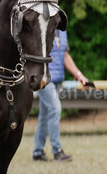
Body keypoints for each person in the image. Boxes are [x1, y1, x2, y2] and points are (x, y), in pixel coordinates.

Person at [32, 28, 91, 162]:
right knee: (55, 108)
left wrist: (79, 75)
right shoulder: (42, 29)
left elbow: (65, 56)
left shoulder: (62, 32)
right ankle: (57, 150)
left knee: (45, 115)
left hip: (57, 79)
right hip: (44, 79)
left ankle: (37, 152)